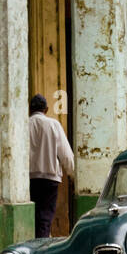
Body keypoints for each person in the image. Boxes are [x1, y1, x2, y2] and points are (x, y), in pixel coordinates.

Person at [28, 94, 74, 238]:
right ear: (46, 109)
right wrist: (72, 174)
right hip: (50, 179)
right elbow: (66, 154)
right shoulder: (54, 124)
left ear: (30, 109)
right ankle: (42, 248)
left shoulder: (24, 124)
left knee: (32, 217)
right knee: (45, 218)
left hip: (29, 179)